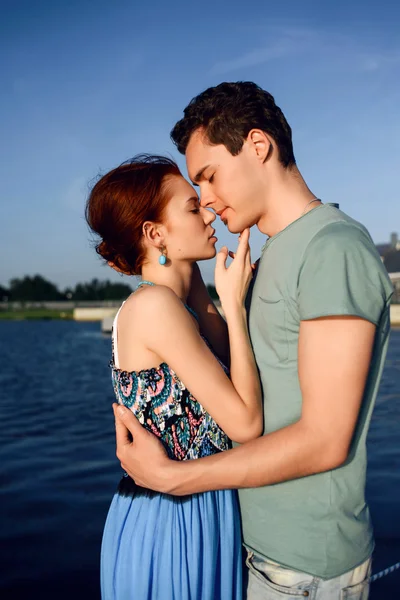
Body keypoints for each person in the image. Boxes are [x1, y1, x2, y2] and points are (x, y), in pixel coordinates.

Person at [112, 82, 394, 599]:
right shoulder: (264, 261)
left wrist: (176, 479)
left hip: (304, 565)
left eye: (210, 176)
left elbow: (325, 439)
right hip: (249, 546)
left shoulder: (332, 249)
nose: (206, 199)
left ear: (259, 146)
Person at [85, 154, 263, 600]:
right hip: (173, 523)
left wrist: (205, 287)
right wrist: (235, 306)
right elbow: (245, 423)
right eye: (191, 206)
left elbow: (239, 365)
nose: (208, 209)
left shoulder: (178, 299)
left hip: (198, 507)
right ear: (155, 233)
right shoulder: (155, 307)